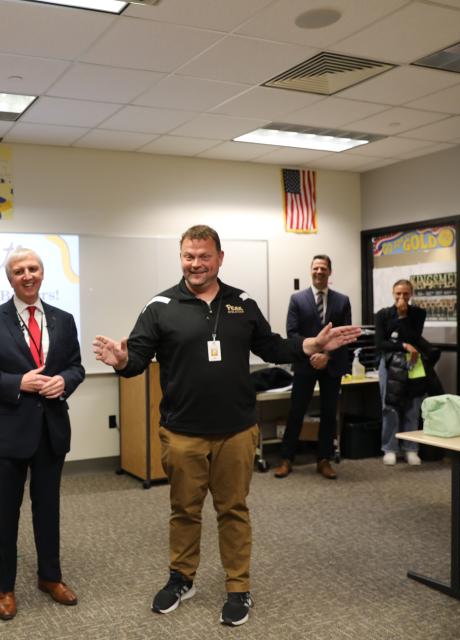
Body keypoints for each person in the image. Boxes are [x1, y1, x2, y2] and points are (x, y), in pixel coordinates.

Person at [92, 225, 359, 627]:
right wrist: (119, 360)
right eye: (188, 256)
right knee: (183, 509)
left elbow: (273, 348)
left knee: (233, 510)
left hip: (236, 430)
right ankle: (182, 578)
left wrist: (313, 345)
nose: (195, 264)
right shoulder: (160, 305)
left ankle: (238, 587)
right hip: (182, 432)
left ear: (219, 257)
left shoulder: (242, 303)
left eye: (203, 256)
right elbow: (136, 359)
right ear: (180, 257)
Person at [0, 248, 85, 621]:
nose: (27, 275)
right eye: (19, 271)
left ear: (43, 274)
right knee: (7, 513)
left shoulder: (64, 320)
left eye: (33, 268)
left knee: (48, 509)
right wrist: (19, 382)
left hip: (51, 429)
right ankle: (5, 587)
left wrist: (63, 381)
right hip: (7, 432)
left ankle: (50, 577)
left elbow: (77, 367)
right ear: (10, 278)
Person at [274, 255, 352, 480]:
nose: (319, 272)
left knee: (329, 414)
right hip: (305, 364)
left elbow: (345, 333)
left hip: (331, 365)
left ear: (330, 272)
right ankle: (286, 459)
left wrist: (327, 355)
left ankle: (324, 460)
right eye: (316, 268)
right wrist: (314, 353)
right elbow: (292, 332)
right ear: (311, 270)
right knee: (296, 412)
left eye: (323, 268)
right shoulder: (297, 299)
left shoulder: (342, 300)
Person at [375, 279, 429, 466]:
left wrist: (404, 318)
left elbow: (414, 336)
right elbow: (381, 342)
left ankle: (410, 448)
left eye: (405, 294)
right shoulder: (383, 314)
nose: (402, 297)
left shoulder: (418, 314)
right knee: (390, 406)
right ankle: (390, 448)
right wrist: (403, 344)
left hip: (413, 363)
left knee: (413, 406)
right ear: (393, 294)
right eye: (398, 294)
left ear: (411, 294)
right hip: (389, 364)